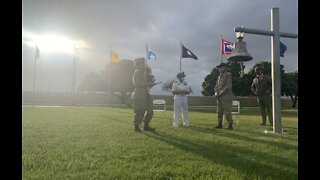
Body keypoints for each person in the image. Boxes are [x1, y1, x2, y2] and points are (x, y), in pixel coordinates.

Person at [131, 57, 157, 132]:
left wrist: (152, 84)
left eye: (144, 63)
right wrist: (148, 83)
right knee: (140, 111)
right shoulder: (137, 72)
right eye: (142, 63)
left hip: (146, 94)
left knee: (150, 111)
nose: (144, 64)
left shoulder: (145, 73)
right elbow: (137, 84)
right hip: (139, 94)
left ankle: (146, 126)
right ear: (137, 65)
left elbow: (148, 85)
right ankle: (136, 127)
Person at [214, 62, 234, 130]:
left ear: (225, 67)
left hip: (226, 96)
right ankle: (219, 124)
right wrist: (216, 93)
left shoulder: (228, 75)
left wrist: (221, 93)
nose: (220, 68)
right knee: (219, 111)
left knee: (227, 111)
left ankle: (230, 125)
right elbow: (217, 85)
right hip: (219, 96)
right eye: (219, 67)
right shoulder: (219, 76)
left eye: (221, 67)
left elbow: (228, 86)